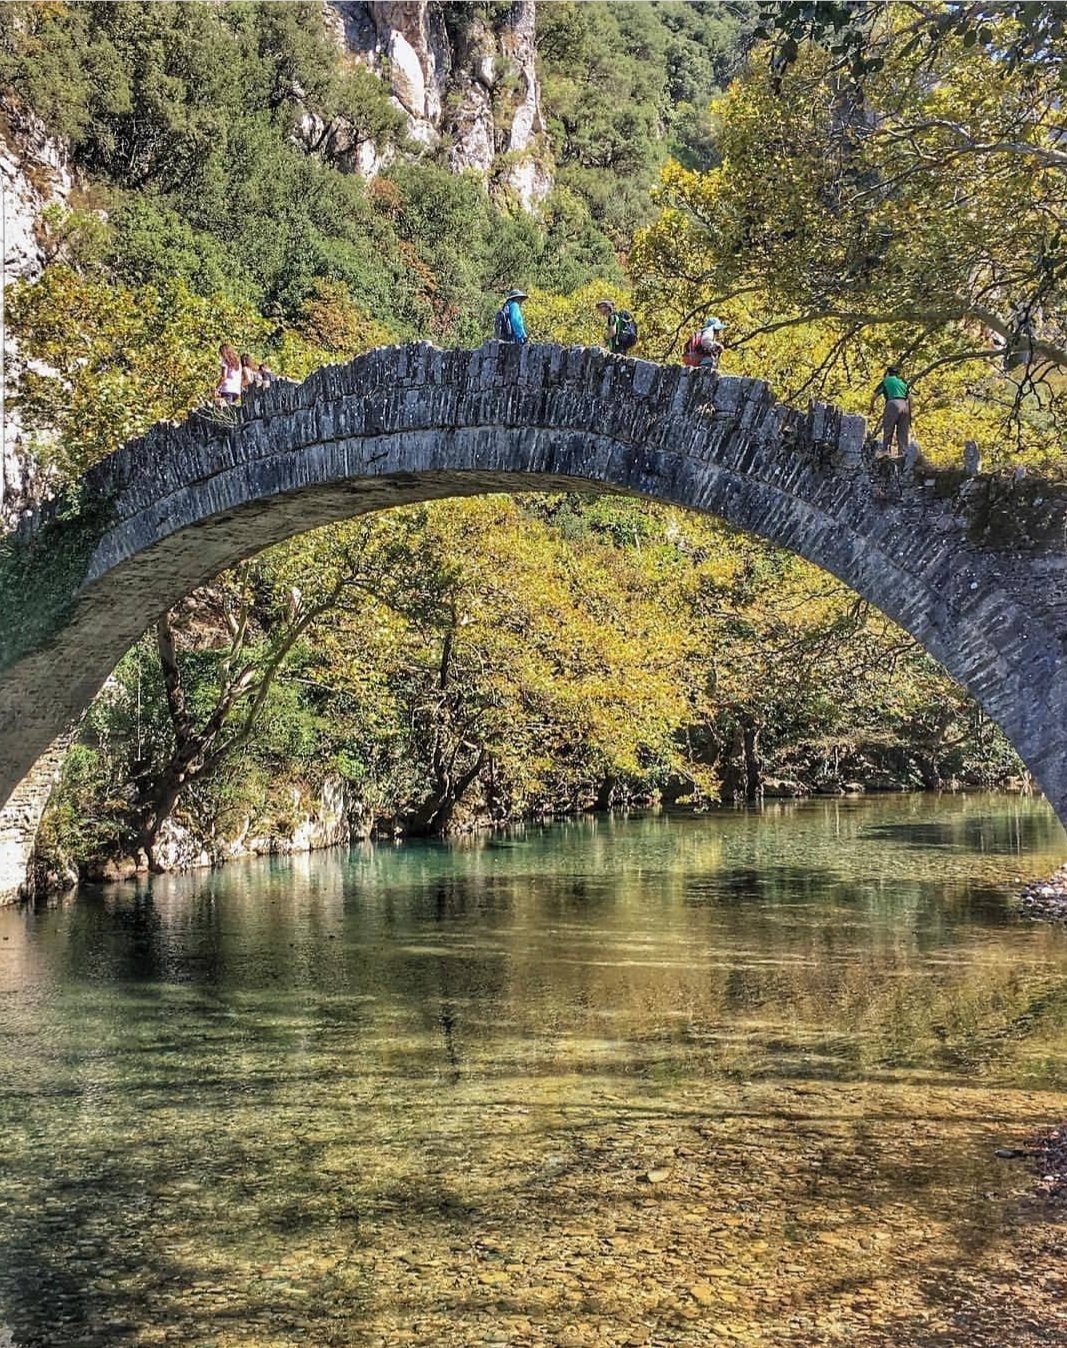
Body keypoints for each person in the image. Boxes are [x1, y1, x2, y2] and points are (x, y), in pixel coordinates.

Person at [869, 365, 912, 454]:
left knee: (888, 429)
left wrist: (871, 408)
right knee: (903, 433)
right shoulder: (903, 382)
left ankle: (885, 452)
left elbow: (873, 396)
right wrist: (909, 412)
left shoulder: (886, 381)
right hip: (905, 405)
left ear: (888, 373)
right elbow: (910, 398)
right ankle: (903, 455)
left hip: (892, 404)